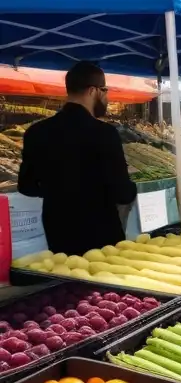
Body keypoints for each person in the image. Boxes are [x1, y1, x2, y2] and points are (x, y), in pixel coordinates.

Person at [18, 61, 137, 255]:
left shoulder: (36, 132)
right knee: (103, 285)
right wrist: (132, 189)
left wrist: (58, 190)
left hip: (58, 231)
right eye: (104, 90)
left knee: (67, 282)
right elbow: (122, 192)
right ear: (93, 91)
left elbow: (26, 186)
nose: (106, 97)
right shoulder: (104, 133)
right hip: (101, 235)